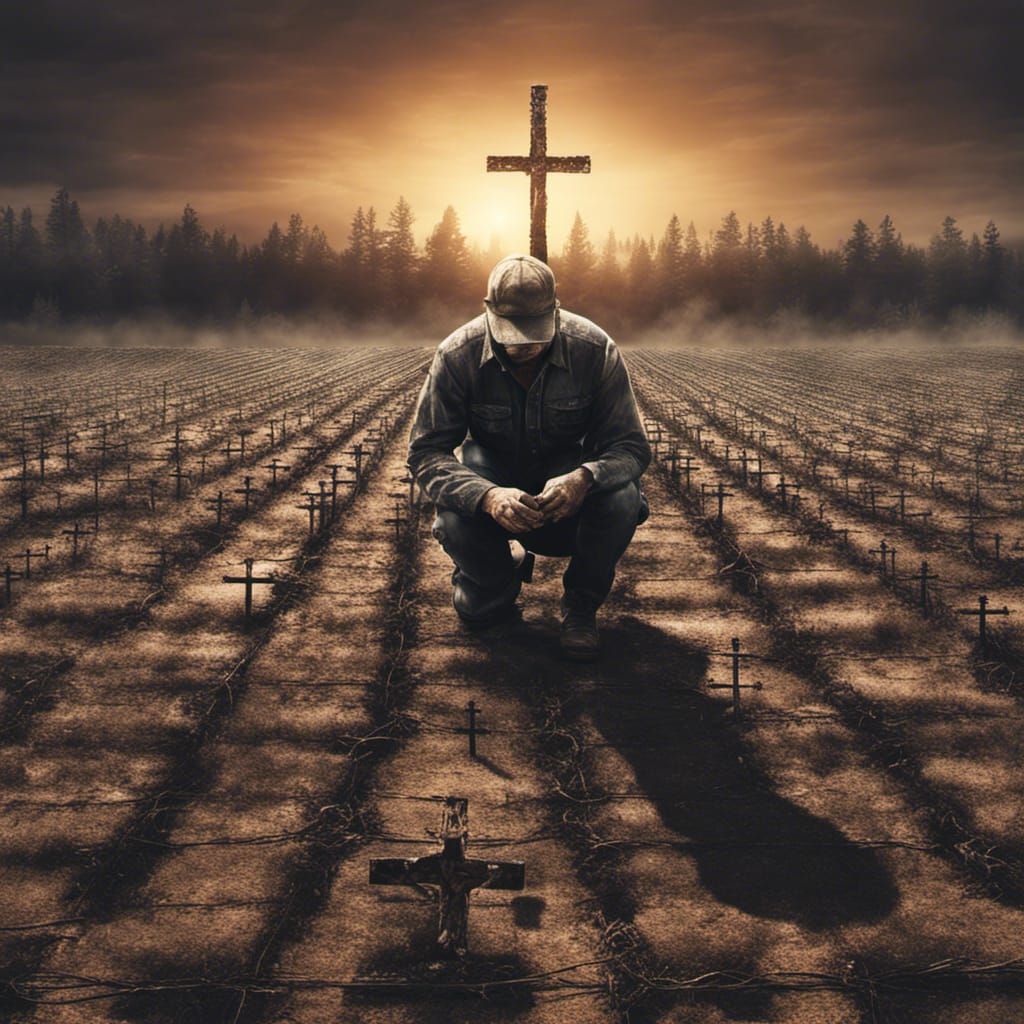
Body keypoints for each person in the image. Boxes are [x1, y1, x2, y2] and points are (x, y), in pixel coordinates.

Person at [407, 253, 651, 660]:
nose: (524, 345)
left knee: (623, 497)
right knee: (478, 606)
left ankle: (580, 606)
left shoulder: (594, 349)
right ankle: (498, 578)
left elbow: (631, 445)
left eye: (535, 332)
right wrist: (487, 497)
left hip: (564, 486)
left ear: (555, 311)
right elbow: (425, 452)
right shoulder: (457, 354)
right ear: (489, 313)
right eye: (511, 333)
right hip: (491, 479)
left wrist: (584, 478)